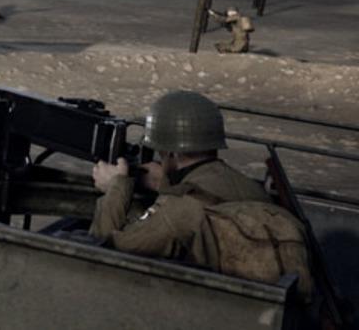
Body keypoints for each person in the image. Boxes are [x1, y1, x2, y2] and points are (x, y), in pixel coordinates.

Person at [91, 91, 312, 300]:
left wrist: (116, 188)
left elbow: (97, 254)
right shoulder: (253, 189)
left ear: (172, 153)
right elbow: (212, 202)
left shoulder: (178, 210)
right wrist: (166, 184)